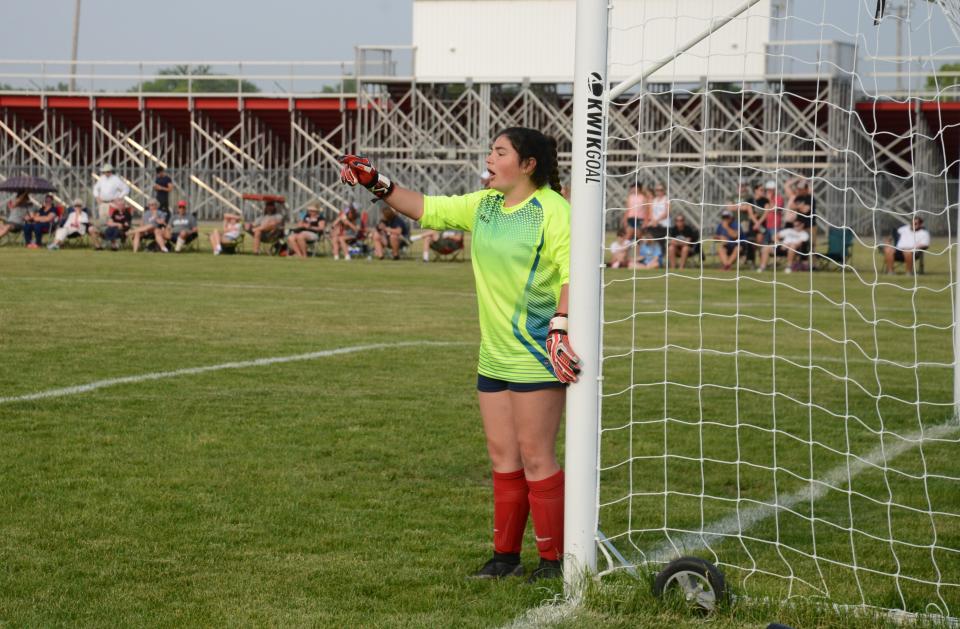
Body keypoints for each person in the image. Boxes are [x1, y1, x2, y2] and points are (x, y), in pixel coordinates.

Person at [339, 126, 579, 583]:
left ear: (527, 165)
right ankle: (504, 559)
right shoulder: (484, 204)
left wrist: (560, 327)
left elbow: (572, 272)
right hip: (493, 356)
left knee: (536, 457)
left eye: (500, 152)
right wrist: (375, 181)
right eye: (491, 149)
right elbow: (426, 208)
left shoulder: (553, 210)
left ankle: (554, 564)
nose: (489, 157)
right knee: (502, 457)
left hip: (537, 352)